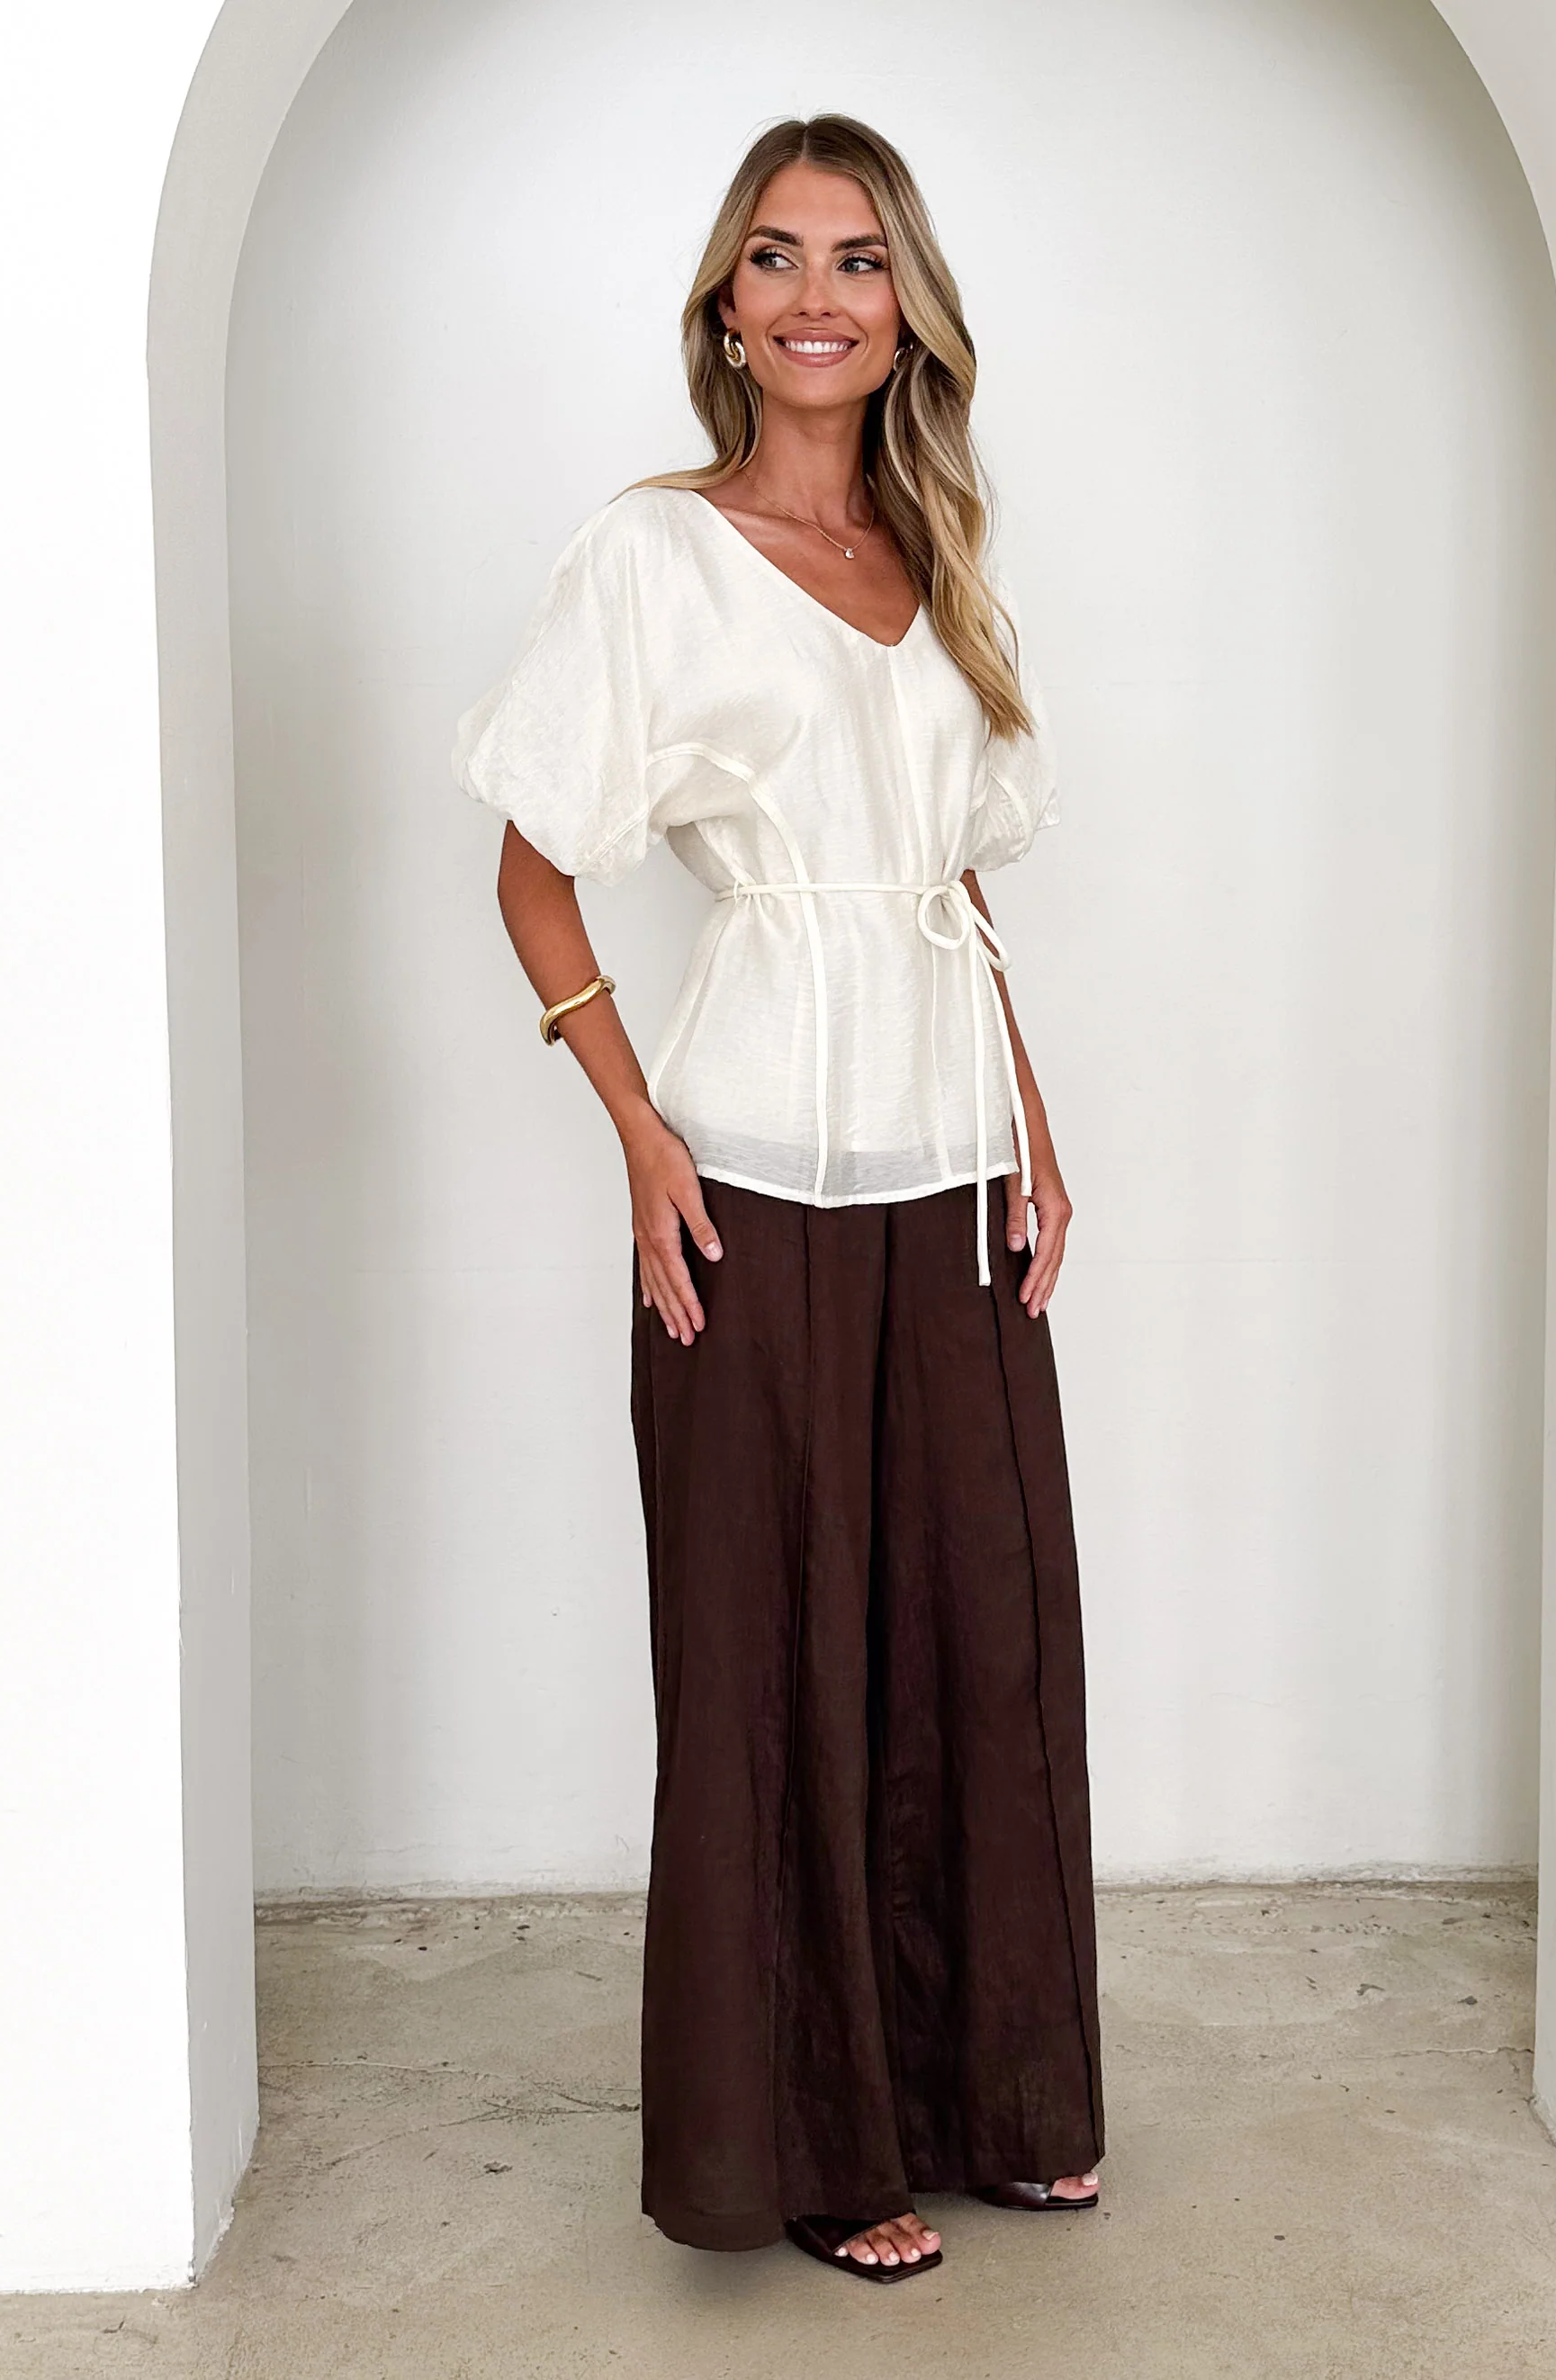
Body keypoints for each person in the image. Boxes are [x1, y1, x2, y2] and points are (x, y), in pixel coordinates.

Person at [453, 112, 1103, 2283]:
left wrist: (1030, 1120)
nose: (816, 295)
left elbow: (954, 885)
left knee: (979, 1636)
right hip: (749, 1168)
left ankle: (997, 2095)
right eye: (774, 257)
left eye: (856, 258)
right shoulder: (652, 554)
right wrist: (637, 1133)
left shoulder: (935, 556)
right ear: (724, 311)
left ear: (904, 307)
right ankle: (814, 2145)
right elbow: (533, 865)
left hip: (946, 1167)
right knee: (777, 1661)